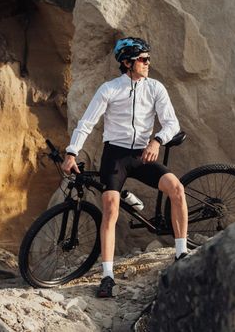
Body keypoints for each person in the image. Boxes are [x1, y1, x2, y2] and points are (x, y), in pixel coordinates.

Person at [62, 37, 188, 298]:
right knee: (110, 208)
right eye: (143, 59)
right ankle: (107, 276)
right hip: (116, 155)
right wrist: (71, 152)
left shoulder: (155, 88)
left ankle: (181, 253)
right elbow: (87, 123)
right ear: (127, 63)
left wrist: (156, 140)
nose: (148, 63)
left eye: (148, 59)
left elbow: (171, 124)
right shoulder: (109, 89)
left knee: (176, 188)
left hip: (144, 154)